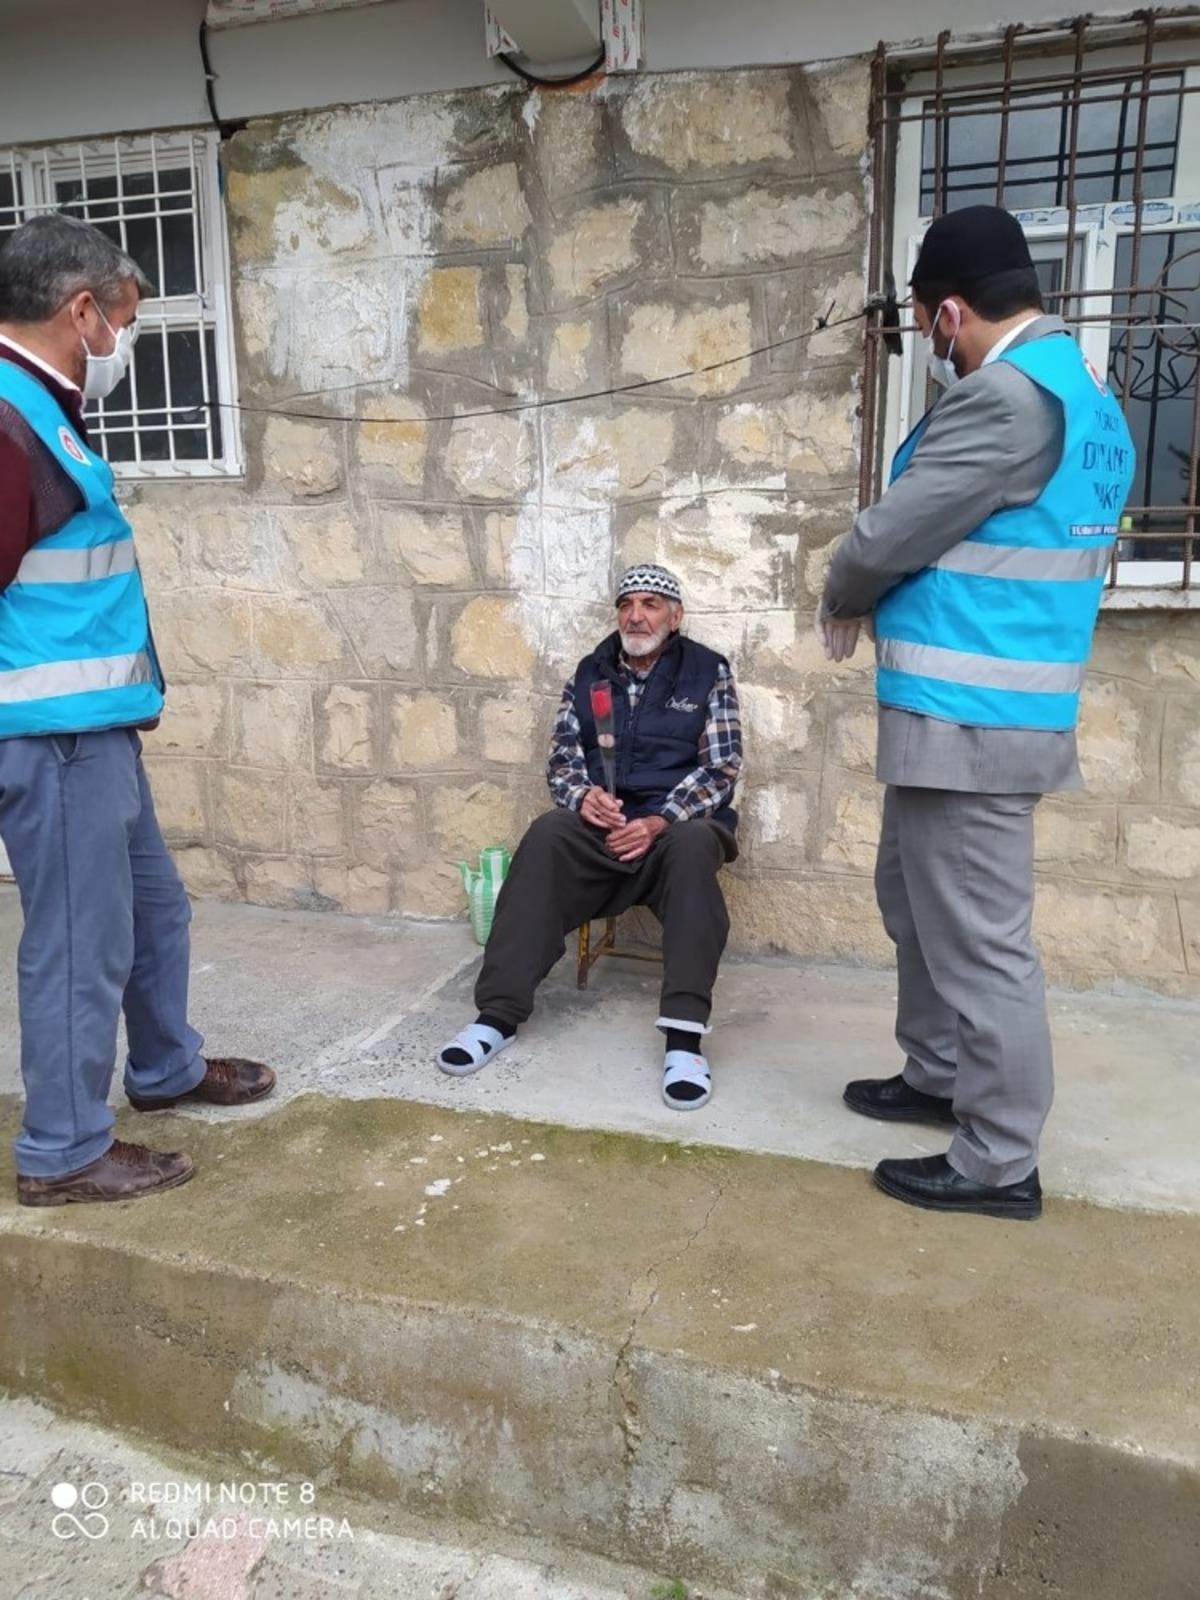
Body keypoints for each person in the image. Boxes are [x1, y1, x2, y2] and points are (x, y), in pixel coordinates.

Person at [818, 205, 1135, 1221]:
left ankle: (999, 1158)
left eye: (923, 327)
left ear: (950, 311)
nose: (928, 346)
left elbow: (889, 535)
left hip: (973, 720)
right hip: (967, 714)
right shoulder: (1082, 391)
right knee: (913, 900)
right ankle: (939, 1072)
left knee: (983, 942)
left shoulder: (1003, 400)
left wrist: (841, 592)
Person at [0, 214, 275, 1207]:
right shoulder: (9, 418)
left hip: (93, 728)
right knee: (79, 941)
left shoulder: (40, 404)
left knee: (154, 910)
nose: (123, 344)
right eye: (121, 321)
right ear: (81, 310)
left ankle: (163, 1069)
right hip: (51, 738)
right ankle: (64, 1150)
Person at [436, 564, 742, 1110]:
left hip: (674, 828)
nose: (636, 614)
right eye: (627, 603)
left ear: (675, 618)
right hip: (604, 824)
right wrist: (584, 799)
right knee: (549, 833)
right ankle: (497, 1017)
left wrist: (661, 820)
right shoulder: (590, 673)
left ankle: (684, 1039)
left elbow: (721, 768)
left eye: (651, 604)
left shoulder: (707, 672)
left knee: (696, 845)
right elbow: (561, 757)